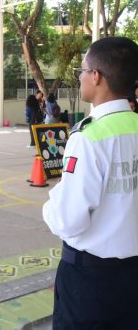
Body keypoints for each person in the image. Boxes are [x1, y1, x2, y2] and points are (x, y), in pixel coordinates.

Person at [43, 37, 138, 328]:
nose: (81, 76)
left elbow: (69, 221)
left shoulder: (88, 138)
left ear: (96, 77)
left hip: (91, 280)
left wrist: (52, 201)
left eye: (81, 70)